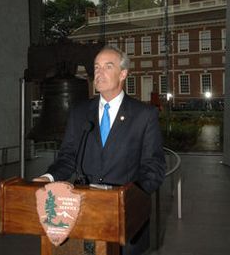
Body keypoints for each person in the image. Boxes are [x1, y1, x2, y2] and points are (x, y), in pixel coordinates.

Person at [33, 45, 166, 254]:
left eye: (107, 66)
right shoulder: (79, 112)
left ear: (123, 74)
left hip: (126, 219)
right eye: (96, 67)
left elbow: (154, 166)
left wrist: (132, 196)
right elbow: (68, 157)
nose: (99, 73)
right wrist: (48, 177)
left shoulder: (144, 115)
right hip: (84, 213)